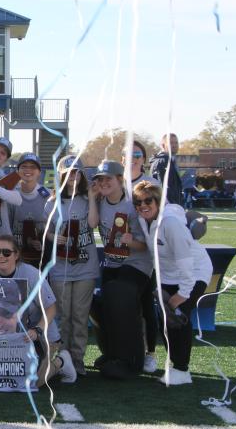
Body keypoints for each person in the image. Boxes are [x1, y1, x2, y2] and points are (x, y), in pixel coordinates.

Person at [0, 236, 76, 390]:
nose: (1, 256)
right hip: (8, 334)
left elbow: (51, 308)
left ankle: (61, 362)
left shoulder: (31, 274)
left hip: (38, 335)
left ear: (16, 255)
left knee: (32, 383)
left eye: (6, 252)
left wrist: (37, 330)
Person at [134, 181, 212, 385]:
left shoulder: (170, 223)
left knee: (178, 319)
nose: (143, 205)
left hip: (193, 273)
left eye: (148, 200)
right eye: (138, 201)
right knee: (165, 322)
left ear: (158, 201)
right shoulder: (145, 220)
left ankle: (181, 370)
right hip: (168, 275)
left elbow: (185, 261)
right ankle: (175, 365)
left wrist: (183, 293)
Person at [87, 160, 153, 379]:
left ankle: (131, 359)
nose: (104, 183)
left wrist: (129, 241)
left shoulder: (133, 204)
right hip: (112, 262)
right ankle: (112, 354)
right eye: (100, 179)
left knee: (119, 294)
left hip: (136, 263)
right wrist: (91, 197)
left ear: (119, 179)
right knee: (99, 305)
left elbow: (146, 245)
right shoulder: (99, 201)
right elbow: (93, 223)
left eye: (108, 178)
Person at [43, 156, 98, 377]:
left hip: (85, 265)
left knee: (80, 316)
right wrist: (55, 238)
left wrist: (92, 198)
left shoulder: (88, 199)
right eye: (68, 173)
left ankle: (77, 360)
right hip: (61, 267)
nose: (73, 177)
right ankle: (62, 359)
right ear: (60, 175)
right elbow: (46, 232)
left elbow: (93, 224)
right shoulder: (52, 202)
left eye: (77, 172)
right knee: (63, 316)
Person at [123, 141, 160, 373]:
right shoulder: (116, 181)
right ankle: (127, 350)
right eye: (129, 154)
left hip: (147, 255)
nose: (134, 158)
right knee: (126, 304)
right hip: (120, 256)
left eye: (138, 154)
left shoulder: (152, 184)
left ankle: (150, 353)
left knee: (147, 305)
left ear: (144, 159)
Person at [7, 153, 50, 267]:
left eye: (33, 167)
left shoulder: (48, 195)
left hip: (43, 256)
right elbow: (7, 227)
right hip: (16, 256)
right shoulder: (11, 194)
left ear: (39, 172)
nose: (28, 170)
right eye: (24, 166)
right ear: (18, 170)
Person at [149, 133, 183, 205]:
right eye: (171, 143)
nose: (174, 145)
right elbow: (161, 188)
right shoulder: (163, 162)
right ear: (163, 145)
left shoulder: (170, 160)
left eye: (176, 143)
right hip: (167, 207)